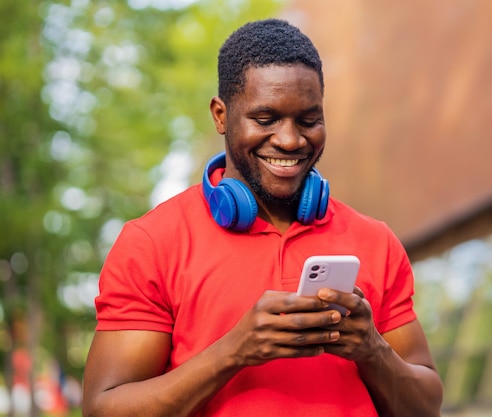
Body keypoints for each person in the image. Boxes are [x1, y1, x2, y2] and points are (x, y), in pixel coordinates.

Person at [82, 18, 443, 417]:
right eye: (266, 119)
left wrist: (371, 349)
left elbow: (425, 408)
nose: (290, 140)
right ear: (221, 115)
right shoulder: (152, 242)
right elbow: (104, 409)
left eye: (308, 120)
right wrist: (234, 352)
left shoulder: (376, 241)